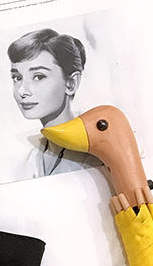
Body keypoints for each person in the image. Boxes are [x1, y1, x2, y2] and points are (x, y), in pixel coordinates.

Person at [8, 28, 100, 178]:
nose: (22, 91)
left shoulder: (93, 153)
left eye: (38, 76)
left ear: (71, 83)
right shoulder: (29, 159)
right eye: (17, 78)